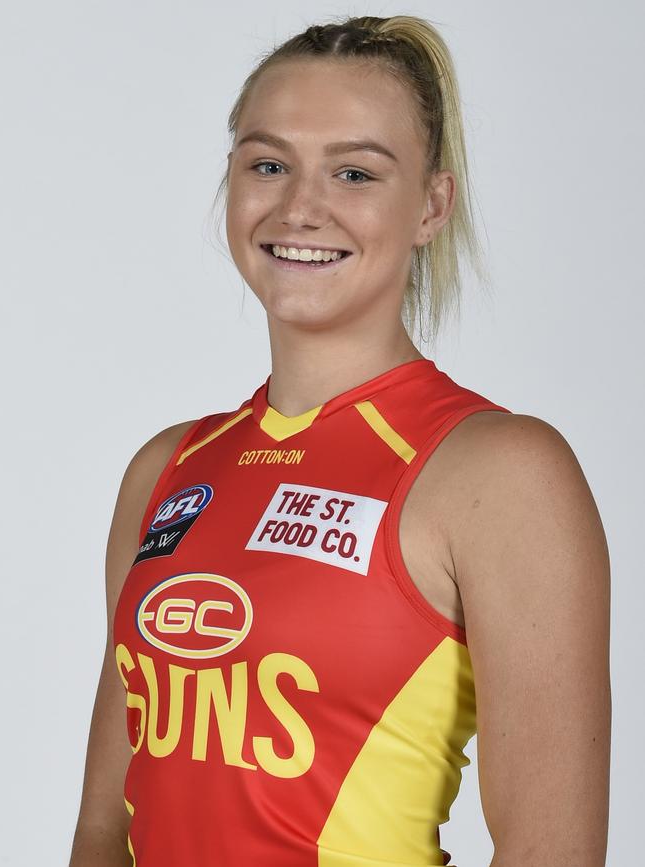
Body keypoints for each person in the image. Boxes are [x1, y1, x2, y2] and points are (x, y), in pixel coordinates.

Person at [69, 14, 611, 867]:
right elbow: (105, 826)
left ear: (432, 205)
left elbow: (555, 851)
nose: (299, 208)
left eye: (354, 171)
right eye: (269, 164)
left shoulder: (499, 472)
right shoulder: (165, 470)